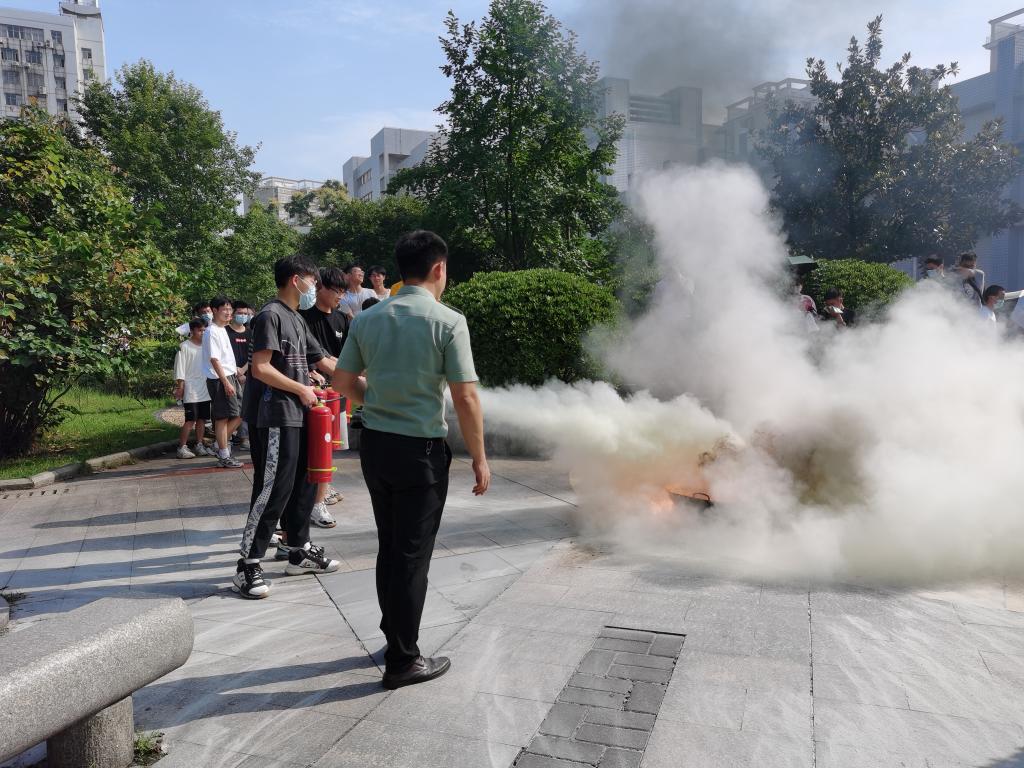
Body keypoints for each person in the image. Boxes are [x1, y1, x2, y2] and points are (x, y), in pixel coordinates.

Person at [334, 230, 490, 690]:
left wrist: (379, 399)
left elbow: (343, 382)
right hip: (420, 454)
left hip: (376, 447)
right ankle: (403, 660)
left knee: (391, 547)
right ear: (439, 268)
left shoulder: (368, 318)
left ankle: (394, 637)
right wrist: (479, 458)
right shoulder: (448, 321)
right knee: (411, 556)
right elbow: (465, 396)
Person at [234, 255, 341, 599]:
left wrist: (367, 377)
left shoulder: (295, 318)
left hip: (298, 413)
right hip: (275, 415)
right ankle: (248, 564)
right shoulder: (270, 315)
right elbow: (261, 368)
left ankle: (298, 551)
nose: (315, 288)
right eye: (313, 281)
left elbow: (323, 360)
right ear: (297, 280)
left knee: (304, 484)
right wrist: (301, 388)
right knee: (274, 488)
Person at [299, 266, 350, 529]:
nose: (340, 296)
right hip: (312, 392)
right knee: (315, 445)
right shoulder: (303, 318)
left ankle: (322, 490)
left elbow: (349, 355)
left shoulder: (343, 319)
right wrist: (312, 371)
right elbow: (307, 356)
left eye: (343, 291)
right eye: (336, 291)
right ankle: (315, 500)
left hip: (336, 390)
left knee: (330, 445)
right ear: (320, 288)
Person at [201, 296, 244, 468]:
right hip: (220, 379)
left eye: (229, 309)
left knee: (240, 413)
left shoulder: (222, 329)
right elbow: (214, 359)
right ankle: (224, 455)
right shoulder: (211, 331)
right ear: (214, 310)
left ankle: (219, 445)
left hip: (229, 376)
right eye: (224, 309)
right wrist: (226, 382)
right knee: (222, 418)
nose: (228, 312)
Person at [172, 319, 215, 458]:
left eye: (204, 330)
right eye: (199, 330)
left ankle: (199, 444)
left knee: (202, 419)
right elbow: (180, 369)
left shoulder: (208, 346)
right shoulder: (184, 346)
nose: (202, 333)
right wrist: (180, 387)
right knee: (190, 419)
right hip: (191, 389)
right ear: (192, 331)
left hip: (205, 388)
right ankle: (182, 447)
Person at [227, 301, 254, 451]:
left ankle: (244, 438)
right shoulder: (225, 331)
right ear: (233, 314)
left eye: (245, 313)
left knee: (245, 408)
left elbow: (255, 355)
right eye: (240, 313)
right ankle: (225, 439)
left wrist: (243, 371)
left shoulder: (250, 332)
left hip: (247, 375)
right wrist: (236, 371)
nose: (243, 316)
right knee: (230, 409)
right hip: (228, 375)